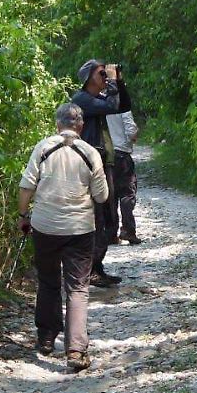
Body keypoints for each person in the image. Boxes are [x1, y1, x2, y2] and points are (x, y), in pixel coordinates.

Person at [17, 103, 109, 371]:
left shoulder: (43, 147)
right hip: (80, 228)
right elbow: (102, 195)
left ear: (58, 124)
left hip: (45, 226)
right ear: (80, 125)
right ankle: (76, 350)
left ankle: (46, 338)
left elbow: (26, 187)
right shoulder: (90, 152)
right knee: (78, 287)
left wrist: (23, 216)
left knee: (47, 280)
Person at [71, 59, 133, 287]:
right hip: (89, 167)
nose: (105, 77)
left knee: (107, 216)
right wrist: (113, 84)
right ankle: (90, 270)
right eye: (101, 74)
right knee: (96, 217)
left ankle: (97, 268)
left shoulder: (93, 99)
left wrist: (120, 82)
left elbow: (123, 106)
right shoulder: (81, 100)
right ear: (88, 78)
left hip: (102, 163)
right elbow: (112, 106)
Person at [106, 109, 141, 245]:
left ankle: (110, 233)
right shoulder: (123, 108)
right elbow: (131, 132)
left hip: (105, 156)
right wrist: (135, 134)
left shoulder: (99, 105)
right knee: (127, 194)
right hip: (122, 155)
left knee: (109, 196)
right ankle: (128, 230)